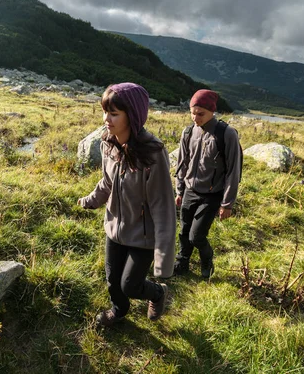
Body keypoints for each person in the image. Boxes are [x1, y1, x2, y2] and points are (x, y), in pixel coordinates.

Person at [78, 82, 176, 327]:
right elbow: (107, 182)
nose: (106, 119)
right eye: (105, 111)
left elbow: (163, 206)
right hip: (114, 228)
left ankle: (157, 292)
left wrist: (163, 260)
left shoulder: (152, 153)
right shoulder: (108, 143)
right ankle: (119, 311)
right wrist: (91, 200)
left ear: (132, 115)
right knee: (113, 282)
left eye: (114, 113)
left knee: (130, 284)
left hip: (143, 234)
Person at [174, 89, 242, 278]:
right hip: (189, 190)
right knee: (184, 231)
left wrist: (227, 203)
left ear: (212, 111)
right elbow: (182, 163)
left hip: (212, 195)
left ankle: (207, 262)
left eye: (200, 113)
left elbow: (233, 170)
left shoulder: (226, 133)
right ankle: (182, 263)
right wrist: (179, 190)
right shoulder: (188, 132)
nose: (195, 118)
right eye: (192, 112)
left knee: (196, 236)